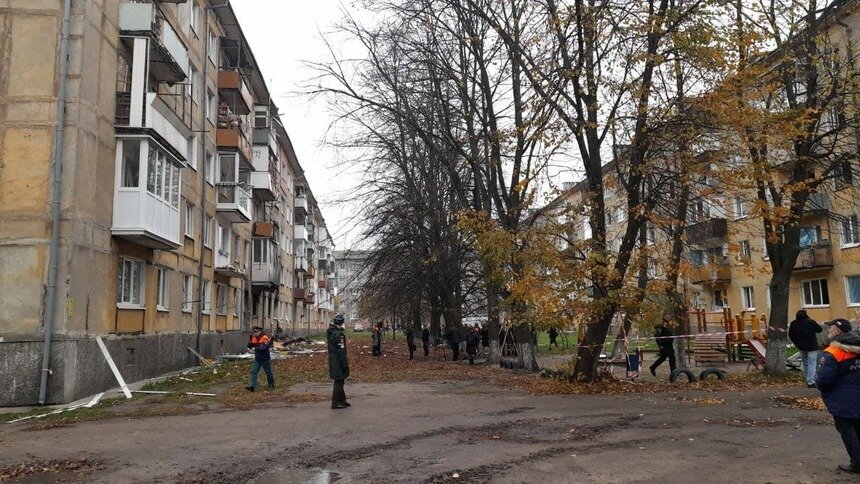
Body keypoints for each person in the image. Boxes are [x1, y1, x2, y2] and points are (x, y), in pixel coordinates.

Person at [816, 318, 860, 474]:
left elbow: (824, 380)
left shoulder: (833, 352)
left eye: (831, 328)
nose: (828, 330)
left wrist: (819, 385)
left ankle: (857, 464)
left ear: (838, 331)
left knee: (847, 431)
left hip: (842, 400)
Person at [789, 309, 823, 388]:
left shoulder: (794, 323)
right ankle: (810, 381)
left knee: (805, 363)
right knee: (812, 363)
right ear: (806, 314)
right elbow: (819, 330)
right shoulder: (810, 322)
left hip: (801, 347)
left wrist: (796, 343)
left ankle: (808, 380)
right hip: (812, 346)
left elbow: (791, 335)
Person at [327, 314, 351, 409]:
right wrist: (345, 365)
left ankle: (342, 400)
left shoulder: (331, 332)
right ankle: (336, 403)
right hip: (338, 361)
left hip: (333, 359)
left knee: (340, 380)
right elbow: (341, 351)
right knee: (339, 381)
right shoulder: (339, 334)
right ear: (342, 323)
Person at [245, 326, 274, 392]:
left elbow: (263, 347)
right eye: (254, 332)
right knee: (254, 371)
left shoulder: (265, 338)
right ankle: (252, 386)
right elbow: (251, 344)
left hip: (265, 358)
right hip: (257, 359)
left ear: (260, 331)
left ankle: (271, 385)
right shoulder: (254, 338)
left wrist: (254, 349)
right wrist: (248, 348)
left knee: (268, 372)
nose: (255, 333)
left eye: (256, 331)